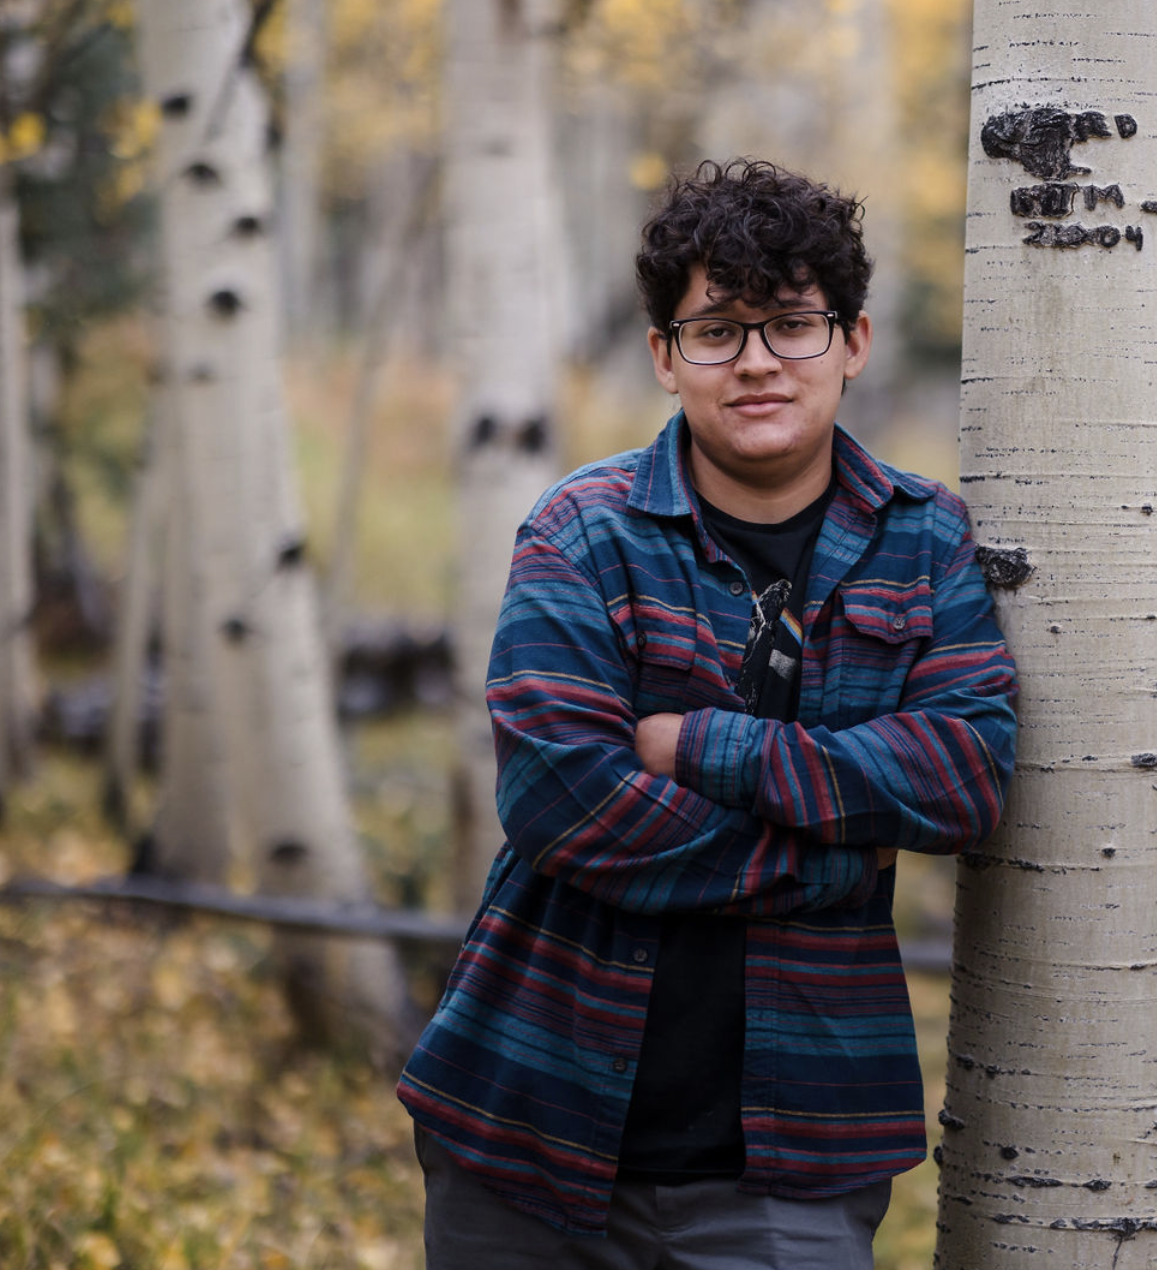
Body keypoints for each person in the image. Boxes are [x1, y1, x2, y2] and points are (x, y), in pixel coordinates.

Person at [396, 158, 1018, 1268]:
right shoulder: (582, 531)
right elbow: (558, 794)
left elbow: (967, 772)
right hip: (527, 1118)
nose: (758, 363)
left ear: (853, 342)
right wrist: (832, 855)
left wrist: (702, 744)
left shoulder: (928, 542)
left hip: (796, 1152)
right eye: (717, 330)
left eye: (790, 324)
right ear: (664, 357)